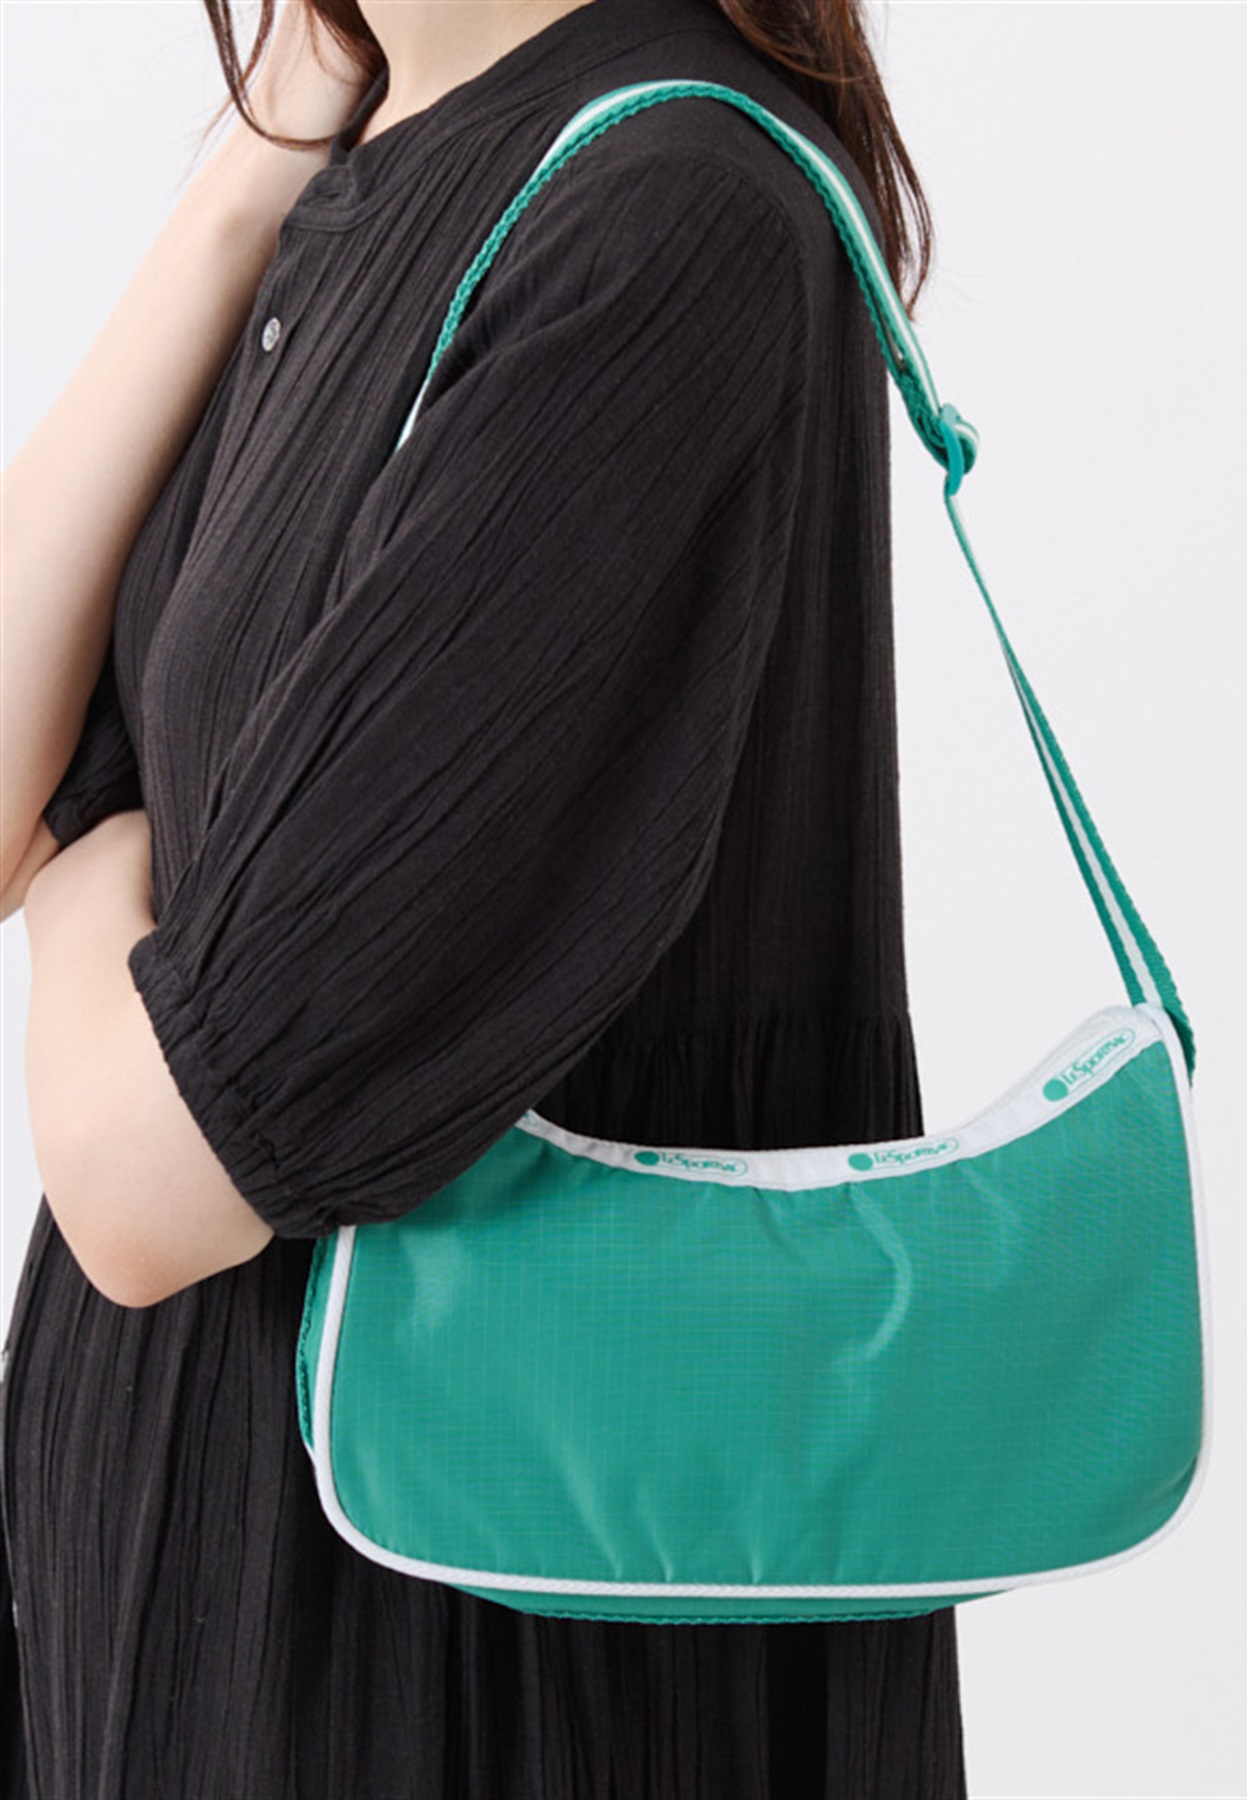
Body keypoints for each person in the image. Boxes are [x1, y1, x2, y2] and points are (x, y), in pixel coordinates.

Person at [0, 0, 970, 1791]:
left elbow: (150, 1180)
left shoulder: (664, 216)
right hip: (199, 1598)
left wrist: (88, 873)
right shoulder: (377, 158)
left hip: (435, 1658)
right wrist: (248, 178)